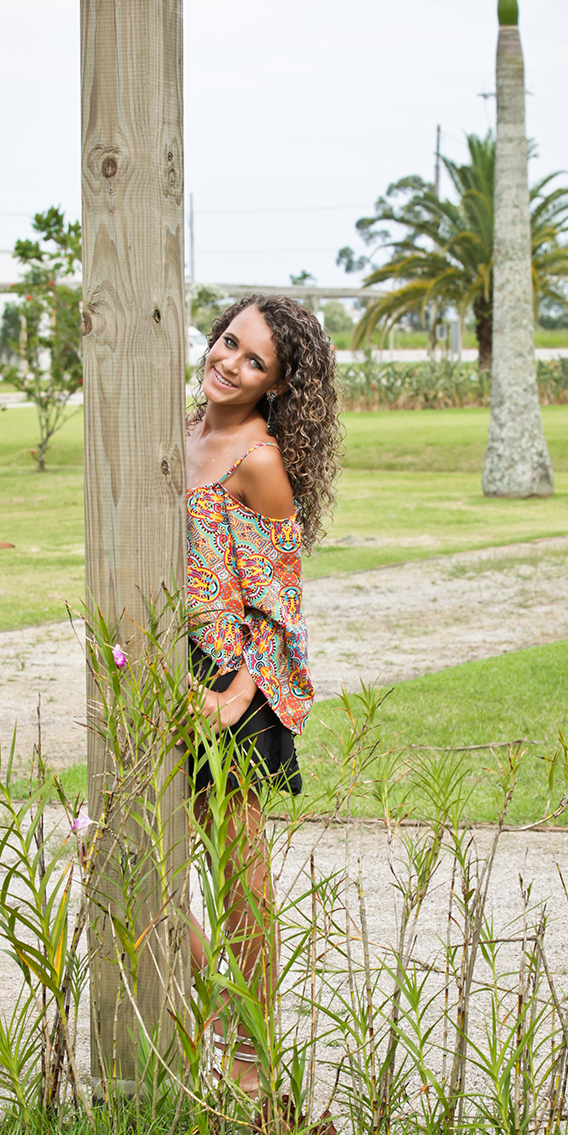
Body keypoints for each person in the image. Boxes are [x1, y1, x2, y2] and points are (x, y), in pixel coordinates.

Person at [184, 293, 341, 1093]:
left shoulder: (258, 460)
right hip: (165, 668)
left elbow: (279, 599)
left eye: (255, 362)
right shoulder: (181, 434)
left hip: (231, 683)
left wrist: (236, 695)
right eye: (228, 341)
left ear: (275, 385)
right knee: (120, 844)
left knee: (234, 866)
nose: (229, 362)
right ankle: (217, 998)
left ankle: (250, 1061)